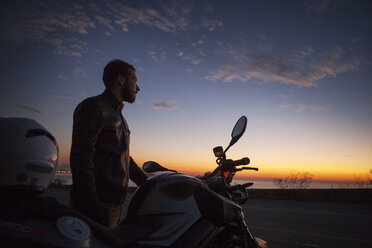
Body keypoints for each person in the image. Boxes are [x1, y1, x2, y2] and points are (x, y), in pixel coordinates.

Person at [69, 59, 148, 228]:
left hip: (114, 205)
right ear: (121, 79)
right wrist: (91, 206)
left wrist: (148, 183)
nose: (138, 88)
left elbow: (123, 156)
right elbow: (81, 158)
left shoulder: (119, 116)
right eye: (135, 80)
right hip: (97, 204)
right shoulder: (93, 107)